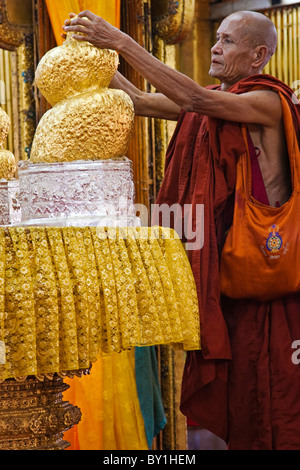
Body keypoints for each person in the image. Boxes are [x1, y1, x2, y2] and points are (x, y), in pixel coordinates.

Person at [63, 10, 300, 450]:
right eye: (217, 38)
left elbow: (193, 100)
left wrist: (119, 40)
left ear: (258, 55)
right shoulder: (217, 98)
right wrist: (97, 57)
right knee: (238, 395)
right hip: (222, 275)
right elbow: (138, 101)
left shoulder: (267, 102)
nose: (215, 46)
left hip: (265, 276)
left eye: (227, 41)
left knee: (271, 399)